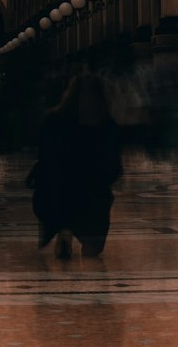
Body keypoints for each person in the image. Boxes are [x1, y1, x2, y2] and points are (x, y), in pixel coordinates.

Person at [31, 73, 122, 257]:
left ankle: (65, 230)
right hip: (93, 192)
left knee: (61, 203)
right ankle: (87, 243)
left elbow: (43, 154)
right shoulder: (106, 123)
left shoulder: (54, 119)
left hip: (59, 191)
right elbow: (113, 161)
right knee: (94, 246)